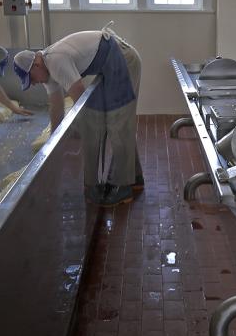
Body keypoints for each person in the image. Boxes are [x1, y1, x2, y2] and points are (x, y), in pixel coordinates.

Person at [13, 28, 142, 207]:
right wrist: (54, 143)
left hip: (124, 60)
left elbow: (81, 100)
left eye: (31, 79)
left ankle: (124, 187)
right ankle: (135, 177)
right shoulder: (46, 69)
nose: (34, 83)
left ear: (36, 64)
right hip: (113, 62)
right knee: (116, 124)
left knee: (117, 124)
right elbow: (56, 106)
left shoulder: (55, 61)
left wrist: (82, 132)